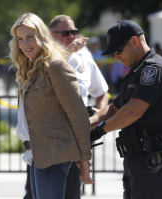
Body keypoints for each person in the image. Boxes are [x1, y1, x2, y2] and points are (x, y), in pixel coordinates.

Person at [89, 20, 162, 199]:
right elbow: (115, 108)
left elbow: (133, 111)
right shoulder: (136, 71)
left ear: (134, 42)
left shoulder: (153, 69)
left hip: (153, 160)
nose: (116, 56)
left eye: (118, 50)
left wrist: (99, 131)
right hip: (137, 160)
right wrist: (89, 122)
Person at [9, 13, 94, 199]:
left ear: (42, 36)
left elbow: (77, 113)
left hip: (55, 155)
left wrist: (85, 159)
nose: (25, 44)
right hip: (36, 155)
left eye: (30, 37)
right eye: (20, 39)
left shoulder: (54, 66)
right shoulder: (30, 68)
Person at [49, 15, 109, 199]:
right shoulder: (43, 54)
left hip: (77, 131)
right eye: (66, 33)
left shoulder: (84, 54)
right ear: (51, 35)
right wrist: (67, 52)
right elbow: (46, 73)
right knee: (42, 191)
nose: (72, 36)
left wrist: (99, 115)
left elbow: (101, 91)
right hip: (50, 131)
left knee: (72, 191)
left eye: (74, 32)